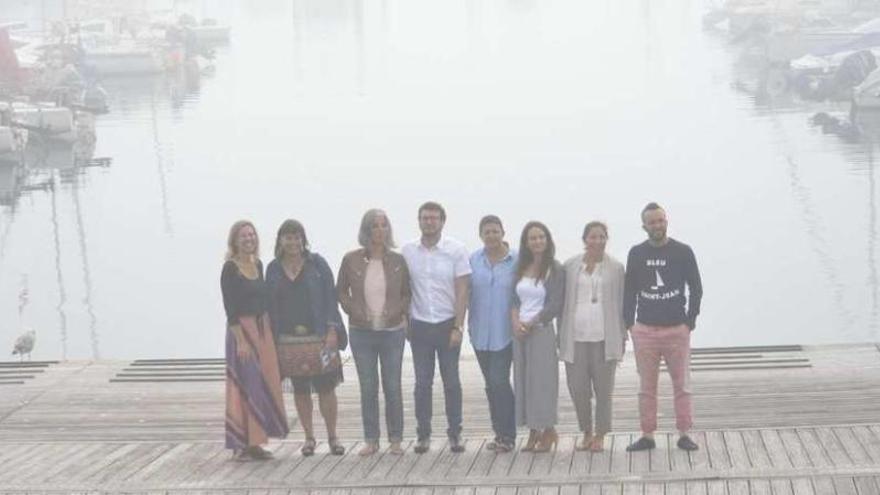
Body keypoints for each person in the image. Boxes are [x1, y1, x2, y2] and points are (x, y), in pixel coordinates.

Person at [623, 203, 703, 452]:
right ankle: (647, 435)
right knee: (646, 387)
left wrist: (690, 321)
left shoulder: (683, 251)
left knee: (683, 385)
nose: (657, 225)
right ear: (644, 226)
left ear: (666, 221)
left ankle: (684, 433)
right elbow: (629, 290)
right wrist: (629, 323)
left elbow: (696, 288)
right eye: (652, 222)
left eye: (661, 220)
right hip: (645, 330)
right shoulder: (636, 253)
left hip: (676, 330)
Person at [266, 219, 348, 457]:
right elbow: (269, 306)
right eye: (288, 237)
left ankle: (333, 437)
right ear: (280, 240)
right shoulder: (272, 268)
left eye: (297, 237)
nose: (293, 241)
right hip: (289, 341)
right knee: (300, 390)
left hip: (320, 337)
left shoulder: (317, 264)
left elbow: (331, 300)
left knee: (327, 388)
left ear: (303, 240)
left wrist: (333, 330)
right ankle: (309, 438)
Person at [337, 209, 411, 456]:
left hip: (392, 332)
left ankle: (396, 439)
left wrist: (397, 312)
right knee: (368, 387)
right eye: (374, 226)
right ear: (366, 230)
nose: (380, 230)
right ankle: (371, 439)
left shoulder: (398, 261)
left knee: (392, 385)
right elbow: (340, 292)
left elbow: (407, 294)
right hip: (362, 332)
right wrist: (354, 311)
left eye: (383, 225)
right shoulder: (351, 260)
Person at [401, 201, 471, 454]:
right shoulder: (407, 251)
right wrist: (404, 320)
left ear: (443, 221)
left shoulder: (456, 250)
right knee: (422, 383)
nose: (429, 222)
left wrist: (458, 326)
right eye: (424, 218)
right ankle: (423, 435)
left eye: (434, 218)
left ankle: (455, 434)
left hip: (447, 324)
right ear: (418, 221)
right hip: (419, 326)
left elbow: (462, 290)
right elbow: (402, 288)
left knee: (451, 382)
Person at [220, 220, 289, 461]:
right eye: (243, 236)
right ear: (235, 240)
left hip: (263, 330)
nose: (248, 239)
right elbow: (230, 309)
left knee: (262, 384)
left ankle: (256, 442)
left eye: (251, 235)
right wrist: (241, 341)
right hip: (243, 332)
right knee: (246, 384)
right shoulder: (231, 268)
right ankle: (242, 444)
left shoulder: (257, 264)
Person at [559, 221, 626, 452]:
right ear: (584, 239)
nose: (597, 241)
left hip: (604, 339)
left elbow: (622, 304)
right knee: (578, 389)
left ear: (607, 239)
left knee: (603, 390)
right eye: (593, 237)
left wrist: (623, 335)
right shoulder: (569, 266)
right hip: (575, 338)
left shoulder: (616, 268)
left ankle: (600, 434)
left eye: (602, 237)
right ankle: (586, 431)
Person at [510, 221, 564, 453]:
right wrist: (516, 323)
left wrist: (532, 323)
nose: (537, 241)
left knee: (542, 383)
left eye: (541, 237)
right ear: (526, 242)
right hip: (519, 332)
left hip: (541, 330)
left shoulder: (555, 268)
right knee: (523, 382)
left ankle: (548, 430)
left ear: (547, 239)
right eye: (532, 238)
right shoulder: (520, 266)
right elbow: (513, 299)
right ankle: (533, 431)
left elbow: (555, 304)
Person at [468, 215, 517, 453]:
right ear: (481, 235)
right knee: (491, 385)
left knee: (499, 382)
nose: (491, 236)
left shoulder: (516, 260)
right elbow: (463, 291)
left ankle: (508, 434)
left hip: (506, 333)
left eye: (495, 231)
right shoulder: (473, 260)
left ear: (503, 232)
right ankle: (499, 433)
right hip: (479, 333)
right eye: (487, 232)